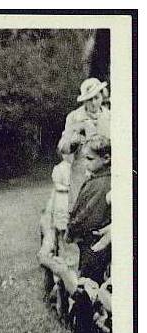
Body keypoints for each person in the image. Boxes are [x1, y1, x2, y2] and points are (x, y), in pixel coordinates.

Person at [58, 78, 111, 210]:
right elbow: (62, 147)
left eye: (96, 98)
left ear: (102, 96)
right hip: (81, 172)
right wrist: (72, 142)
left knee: (103, 210)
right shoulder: (74, 117)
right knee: (80, 210)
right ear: (84, 101)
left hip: (104, 173)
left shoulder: (110, 116)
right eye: (89, 100)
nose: (93, 103)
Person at [67, 135, 111, 284]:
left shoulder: (103, 184)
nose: (86, 163)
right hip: (87, 241)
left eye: (90, 159)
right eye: (85, 158)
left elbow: (90, 214)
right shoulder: (95, 179)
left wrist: (73, 227)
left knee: (90, 282)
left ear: (106, 159)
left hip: (95, 241)